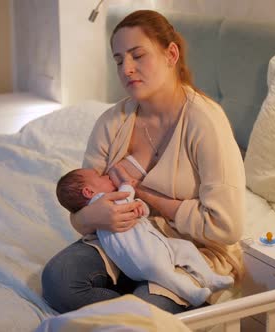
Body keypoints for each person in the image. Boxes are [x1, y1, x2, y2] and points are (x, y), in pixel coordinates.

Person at [42, 9, 245, 314]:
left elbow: (225, 226)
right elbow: (80, 215)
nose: (127, 69)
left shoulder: (205, 122)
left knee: (143, 313)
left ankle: (145, 306)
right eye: (120, 60)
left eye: (138, 55)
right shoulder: (112, 122)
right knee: (58, 280)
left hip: (188, 252)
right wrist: (96, 216)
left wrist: (146, 196)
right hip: (122, 242)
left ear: (171, 54)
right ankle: (137, 308)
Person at [55, 167, 234, 307]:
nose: (107, 176)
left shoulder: (106, 198)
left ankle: (210, 278)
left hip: (157, 241)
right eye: (100, 177)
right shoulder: (102, 199)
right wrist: (125, 183)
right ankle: (192, 293)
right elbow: (124, 196)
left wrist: (141, 206)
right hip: (142, 255)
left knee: (185, 248)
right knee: (164, 273)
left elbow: (134, 206)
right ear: (88, 192)